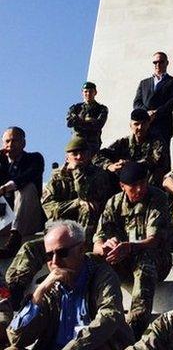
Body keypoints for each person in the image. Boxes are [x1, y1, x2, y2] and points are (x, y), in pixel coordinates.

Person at [7, 220, 133, 349]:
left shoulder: (102, 274)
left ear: (82, 249)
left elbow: (109, 317)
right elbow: (16, 338)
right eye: (49, 255)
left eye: (62, 253)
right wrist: (40, 290)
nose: (55, 261)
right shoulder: (50, 287)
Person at [93, 162, 172, 338]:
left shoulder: (157, 197)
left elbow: (154, 240)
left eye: (143, 183)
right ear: (122, 186)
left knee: (145, 259)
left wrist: (129, 247)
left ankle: (136, 326)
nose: (140, 189)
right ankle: (100, 315)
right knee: (92, 260)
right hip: (123, 260)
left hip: (157, 261)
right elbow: (97, 242)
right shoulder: (113, 203)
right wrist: (106, 247)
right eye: (134, 186)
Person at [41, 137, 113, 242]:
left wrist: (78, 174)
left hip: (89, 224)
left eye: (83, 153)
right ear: (67, 158)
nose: (79, 157)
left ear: (89, 156)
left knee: (89, 207)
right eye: (75, 154)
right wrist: (77, 203)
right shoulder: (57, 178)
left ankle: (81, 246)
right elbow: (49, 208)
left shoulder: (98, 175)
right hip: (61, 223)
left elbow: (92, 200)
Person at [0, 126, 44, 257]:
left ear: (23, 143)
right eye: (7, 141)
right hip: (5, 218)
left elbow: (27, 176)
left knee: (26, 187)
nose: (10, 145)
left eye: (14, 141)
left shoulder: (34, 158)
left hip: (28, 218)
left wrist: (4, 188)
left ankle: (14, 240)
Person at [133, 51, 173, 170]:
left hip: (163, 125)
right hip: (144, 126)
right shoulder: (144, 83)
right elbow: (137, 102)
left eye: (161, 62)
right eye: (155, 62)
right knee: (142, 156)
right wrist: (146, 114)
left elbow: (172, 103)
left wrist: (156, 112)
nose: (157, 64)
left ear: (167, 63)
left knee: (162, 158)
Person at [95, 109, 167, 187]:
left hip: (146, 183)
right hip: (126, 183)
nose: (140, 127)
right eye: (136, 124)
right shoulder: (123, 142)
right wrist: (110, 166)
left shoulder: (157, 141)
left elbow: (156, 160)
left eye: (144, 123)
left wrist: (129, 165)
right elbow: (97, 156)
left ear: (148, 124)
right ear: (130, 125)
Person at [66, 81, 109, 154]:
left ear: (95, 92)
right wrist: (88, 120)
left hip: (92, 144)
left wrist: (78, 120)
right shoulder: (76, 108)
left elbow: (98, 125)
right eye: (86, 91)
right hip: (77, 142)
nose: (88, 94)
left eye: (91, 91)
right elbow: (69, 123)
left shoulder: (101, 109)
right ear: (82, 93)